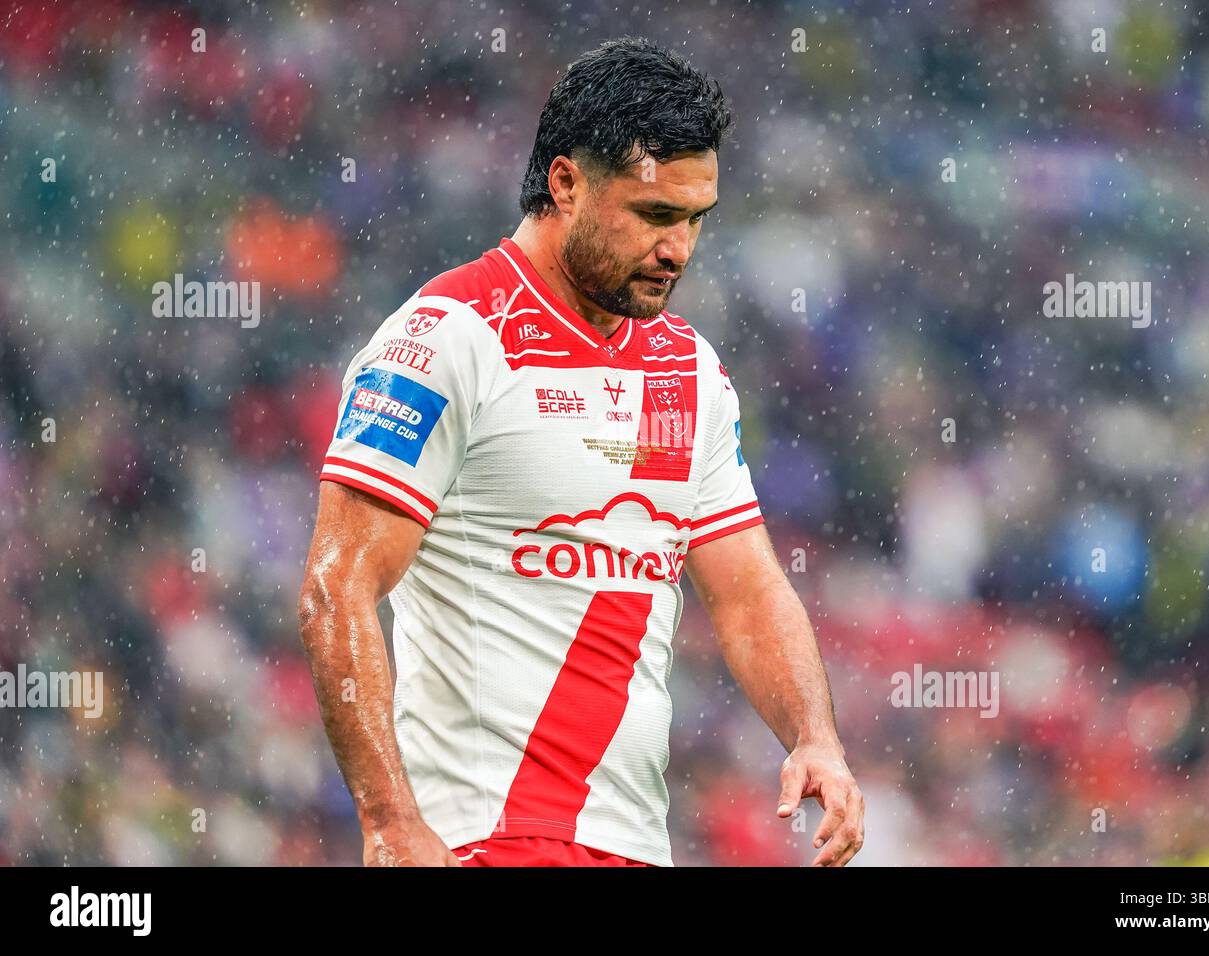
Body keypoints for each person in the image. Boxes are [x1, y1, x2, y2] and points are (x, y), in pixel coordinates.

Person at [298, 36, 863, 867]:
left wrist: (816, 737)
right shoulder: (445, 339)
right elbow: (334, 589)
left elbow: (745, 592)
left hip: (633, 845)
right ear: (566, 183)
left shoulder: (688, 371)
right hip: (485, 839)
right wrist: (388, 821)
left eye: (696, 218)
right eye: (654, 216)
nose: (679, 248)